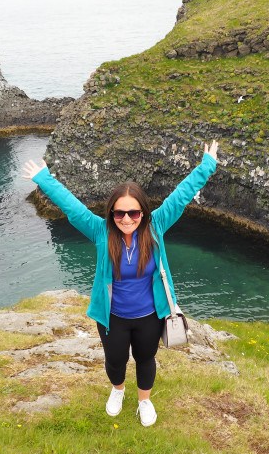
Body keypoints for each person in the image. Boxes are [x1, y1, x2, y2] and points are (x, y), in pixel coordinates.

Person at [22, 140, 218, 427]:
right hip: (112, 317)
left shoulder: (156, 227)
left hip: (150, 315)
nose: (127, 219)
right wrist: (44, 179)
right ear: (111, 214)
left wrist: (207, 167)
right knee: (114, 361)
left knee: (145, 359)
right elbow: (72, 207)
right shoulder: (101, 232)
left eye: (134, 213)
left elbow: (181, 195)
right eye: (120, 213)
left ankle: (144, 400)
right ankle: (117, 390)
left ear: (143, 213)